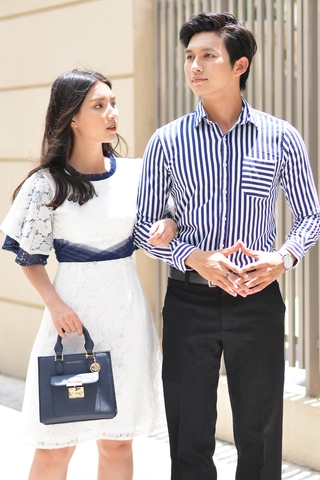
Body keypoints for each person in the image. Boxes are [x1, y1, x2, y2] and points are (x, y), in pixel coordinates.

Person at [134, 11, 320, 480]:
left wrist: (282, 258)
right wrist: (191, 255)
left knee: (259, 439)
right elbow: (143, 227)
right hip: (187, 300)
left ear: (239, 65)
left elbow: (311, 217)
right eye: (189, 56)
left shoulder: (281, 138)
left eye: (208, 56)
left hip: (257, 303)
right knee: (188, 436)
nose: (194, 66)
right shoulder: (167, 141)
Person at [0, 69, 177, 480]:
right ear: (72, 118)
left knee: (117, 442)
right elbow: (29, 256)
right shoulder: (46, 184)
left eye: (112, 103)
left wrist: (168, 223)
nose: (112, 113)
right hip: (70, 319)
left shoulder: (135, 174)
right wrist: (55, 305)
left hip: (126, 312)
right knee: (54, 445)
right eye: (99, 106)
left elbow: (168, 216)